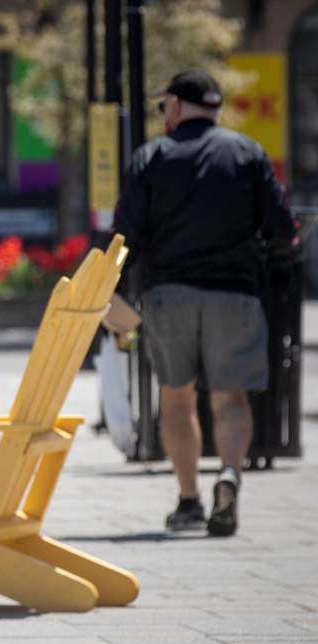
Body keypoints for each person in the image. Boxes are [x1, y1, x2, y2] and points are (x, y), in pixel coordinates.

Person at [114, 69, 295, 537]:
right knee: (230, 398)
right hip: (235, 293)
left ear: (175, 105)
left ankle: (190, 499)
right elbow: (280, 228)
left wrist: (112, 296)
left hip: (168, 294)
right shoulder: (248, 153)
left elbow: (125, 233)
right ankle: (230, 473)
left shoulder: (152, 156)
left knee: (177, 400)